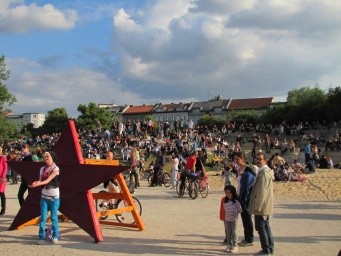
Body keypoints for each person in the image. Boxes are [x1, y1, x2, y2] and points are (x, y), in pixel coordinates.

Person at [29, 151, 60, 245]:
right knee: (43, 217)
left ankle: (55, 236)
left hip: (54, 197)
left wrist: (38, 184)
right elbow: (41, 180)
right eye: (45, 157)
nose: (46, 159)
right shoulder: (42, 168)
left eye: (48, 157)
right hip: (44, 196)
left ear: (52, 158)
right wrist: (36, 182)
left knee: (54, 217)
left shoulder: (56, 169)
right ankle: (41, 237)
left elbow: (48, 180)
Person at [249, 152, 275, 255]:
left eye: (260, 159)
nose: (257, 160)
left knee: (261, 228)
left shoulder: (264, 173)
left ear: (265, 160)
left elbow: (262, 191)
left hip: (262, 205)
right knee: (266, 227)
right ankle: (270, 248)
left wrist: (258, 206)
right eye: (257, 158)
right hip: (265, 204)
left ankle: (266, 250)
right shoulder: (264, 171)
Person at [234, 151, 256, 247]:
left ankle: (250, 238)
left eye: (238, 159)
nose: (236, 161)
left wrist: (245, 174)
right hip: (240, 195)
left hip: (247, 196)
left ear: (243, 159)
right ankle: (247, 237)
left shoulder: (248, 168)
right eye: (235, 159)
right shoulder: (239, 168)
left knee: (247, 217)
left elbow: (254, 179)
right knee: (244, 217)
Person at [220, 184, 242, 253]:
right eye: (226, 192)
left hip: (234, 220)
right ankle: (229, 245)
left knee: (234, 233)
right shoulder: (225, 201)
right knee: (228, 233)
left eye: (230, 192)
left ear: (233, 193)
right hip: (227, 219)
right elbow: (224, 209)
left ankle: (235, 246)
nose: (228, 194)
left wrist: (235, 214)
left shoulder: (236, 202)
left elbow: (240, 210)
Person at [0, 146, 8, 215]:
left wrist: (3, 177)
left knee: (2, 193)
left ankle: (3, 210)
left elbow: (5, 168)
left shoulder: (3, 157)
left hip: (1, 178)